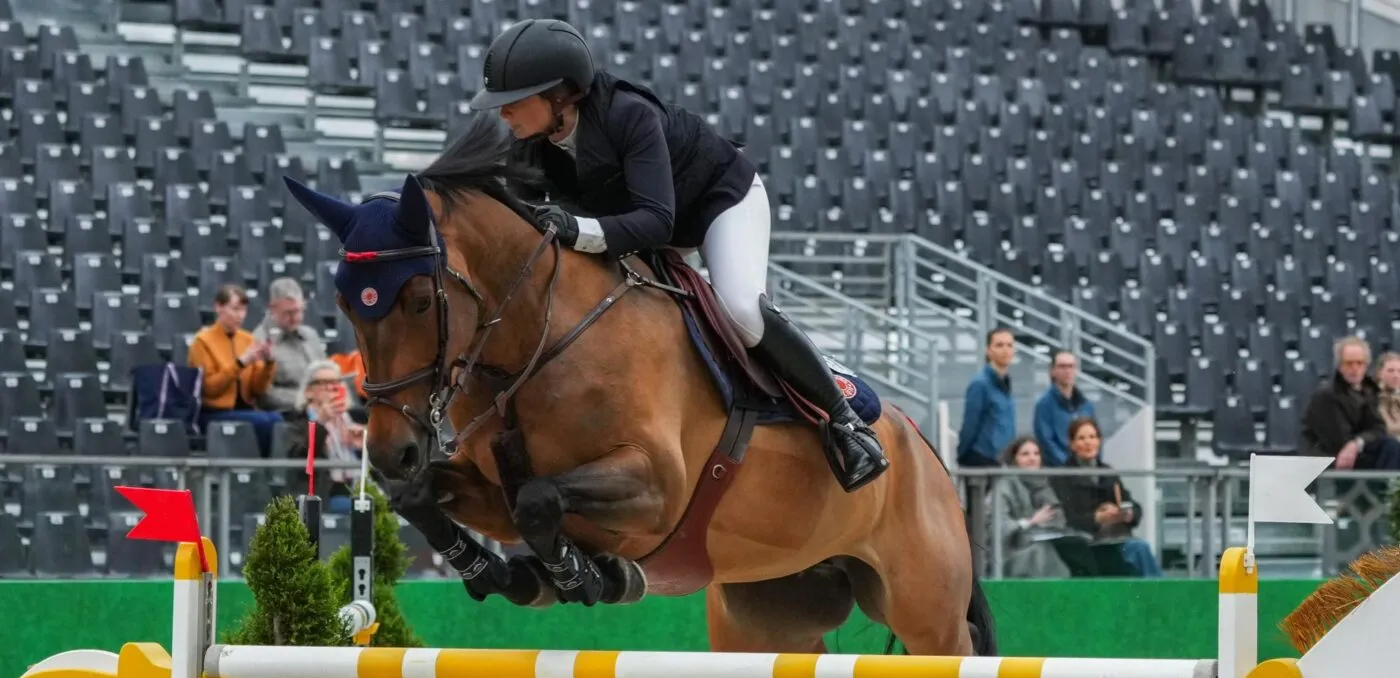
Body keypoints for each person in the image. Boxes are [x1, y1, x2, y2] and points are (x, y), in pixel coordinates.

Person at [466, 17, 886, 493]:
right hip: (637, 225)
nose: (503, 115)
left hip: (716, 204)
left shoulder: (629, 115)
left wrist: (577, 228)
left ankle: (846, 421)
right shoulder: (531, 146)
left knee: (742, 310)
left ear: (559, 95)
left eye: (513, 103)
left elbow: (656, 221)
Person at [1052, 416, 1163, 578]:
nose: (1088, 442)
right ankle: (1159, 595)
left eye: (1092, 437)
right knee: (1139, 549)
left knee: (1139, 548)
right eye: (1081, 438)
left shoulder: (1108, 472)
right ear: (1072, 444)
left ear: (1099, 441)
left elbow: (1131, 504)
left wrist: (1128, 513)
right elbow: (1066, 520)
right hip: (1087, 544)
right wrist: (1097, 518)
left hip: (1114, 537)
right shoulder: (1063, 477)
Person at [187, 283, 282, 456]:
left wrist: (268, 363)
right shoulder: (202, 342)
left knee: (278, 420)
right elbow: (209, 389)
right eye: (235, 309)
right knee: (265, 422)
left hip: (244, 409)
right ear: (218, 307)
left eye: (243, 310)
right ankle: (266, 471)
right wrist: (240, 363)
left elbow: (257, 389)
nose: (240, 316)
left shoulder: (247, 339)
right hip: (213, 412)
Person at [1299, 336, 1400, 470]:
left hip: (1356, 455)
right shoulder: (1326, 395)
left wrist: (1357, 443)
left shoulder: (1368, 391)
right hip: (1328, 463)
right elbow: (1338, 442)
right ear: (1340, 366)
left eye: (1359, 363)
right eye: (1349, 363)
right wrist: (1356, 443)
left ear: (1366, 365)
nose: (1354, 368)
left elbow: (1378, 429)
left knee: (1390, 446)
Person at [284, 360, 366, 513]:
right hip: (324, 492)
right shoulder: (295, 422)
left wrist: (362, 446)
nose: (331, 387)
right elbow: (301, 461)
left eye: (336, 382)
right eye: (323, 383)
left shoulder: (354, 420)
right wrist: (320, 423)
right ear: (308, 391)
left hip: (359, 486)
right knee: (356, 508)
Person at [989, 436, 1072, 578]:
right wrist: (1030, 522)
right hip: (1008, 552)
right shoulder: (1004, 486)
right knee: (1041, 553)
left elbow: (1058, 517)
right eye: (1025, 454)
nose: (1032, 458)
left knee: (1075, 548)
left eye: (1036, 453)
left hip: (1042, 543)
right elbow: (995, 526)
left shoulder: (1044, 485)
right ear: (1014, 459)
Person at [252, 277, 328, 414]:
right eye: (289, 313)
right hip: (288, 414)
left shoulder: (311, 335)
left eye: (299, 311)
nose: (296, 317)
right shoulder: (260, 341)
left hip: (322, 407)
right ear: (272, 308)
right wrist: (305, 399)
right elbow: (263, 394)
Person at [957, 327, 1016, 467]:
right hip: (982, 459)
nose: (1005, 350)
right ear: (988, 350)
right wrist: (963, 454)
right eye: (999, 345)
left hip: (1001, 460)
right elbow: (970, 423)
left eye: (1009, 345)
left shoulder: (1006, 383)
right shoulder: (980, 384)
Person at [1032, 349, 1094, 466]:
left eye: (1071, 366)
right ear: (1053, 371)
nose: (1067, 371)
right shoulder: (1044, 406)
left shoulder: (1086, 405)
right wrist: (1070, 466)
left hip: (1086, 468)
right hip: (1059, 471)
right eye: (1062, 366)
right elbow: (1046, 443)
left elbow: (1096, 437)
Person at [1373, 350, 1400, 439]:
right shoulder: (1373, 397)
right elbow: (1386, 427)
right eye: (1390, 371)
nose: (1396, 375)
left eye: (1399, 371)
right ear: (1380, 373)